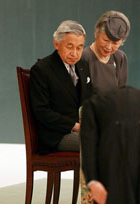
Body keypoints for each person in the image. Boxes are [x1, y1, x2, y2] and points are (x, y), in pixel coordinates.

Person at [30, 20, 92, 154]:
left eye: (79, 47)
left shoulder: (83, 66)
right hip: (56, 135)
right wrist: (75, 126)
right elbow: (42, 112)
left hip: (80, 129)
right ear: (56, 44)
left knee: (117, 137)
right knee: (101, 143)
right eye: (70, 47)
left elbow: (89, 100)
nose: (75, 53)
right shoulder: (42, 69)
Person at [82, 10, 130, 93]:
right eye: (105, 40)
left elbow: (121, 94)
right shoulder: (84, 58)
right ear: (96, 33)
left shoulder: (120, 58)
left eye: (115, 43)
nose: (108, 47)